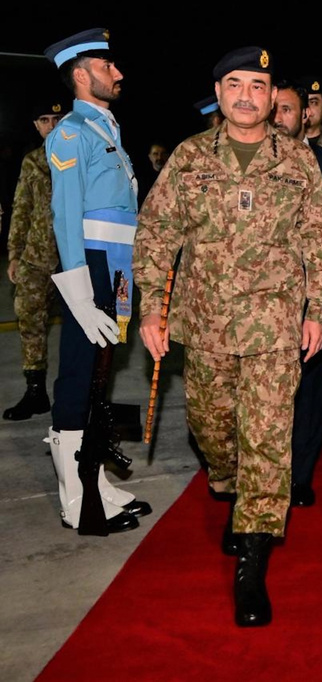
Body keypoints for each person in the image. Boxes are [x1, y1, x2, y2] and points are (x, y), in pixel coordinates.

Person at [134, 46, 322, 627]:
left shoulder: (297, 162)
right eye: (235, 84)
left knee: (269, 442)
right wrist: (153, 310)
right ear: (219, 91)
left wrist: (316, 308)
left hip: (274, 328)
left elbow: (319, 240)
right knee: (213, 430)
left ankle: (252, 561)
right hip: (205, 325)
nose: (247, 95)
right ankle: (229, 487)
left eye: (259, 85)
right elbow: (155, 233)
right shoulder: (190, 157)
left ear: (274, 97)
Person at [42, 28, 150, 534]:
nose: (119, 73)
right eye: (108, 67)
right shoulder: (71, 133)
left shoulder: (107, 129)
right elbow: (65, 215)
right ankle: (74, 498)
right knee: (79, 373)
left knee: (99, 377)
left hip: (117, 267)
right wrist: (78, 287)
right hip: (91, 266)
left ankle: (95, 480)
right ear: (81, 75)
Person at [272, 79, 322, 507]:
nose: (279, 116)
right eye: (275, 108)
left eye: (288, 109)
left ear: (305, 115)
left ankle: (300, 475)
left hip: (311, 303)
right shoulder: (252, 162)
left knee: (310, 395)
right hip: (263, 306)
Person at [5, 99, 64, 421]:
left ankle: (80, 393)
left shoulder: (80, 158)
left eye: (57, 119)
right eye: (44, 120)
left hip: (73, 259)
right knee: (29, 320)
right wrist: (14, 254)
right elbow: (21, 208)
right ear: (36, 125)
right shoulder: (32, 162)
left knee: (82, 329)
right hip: (36, 257)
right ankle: (35, 391)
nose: (51, 126)